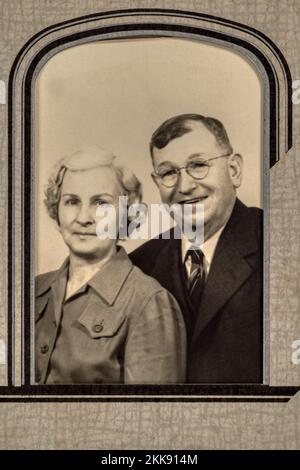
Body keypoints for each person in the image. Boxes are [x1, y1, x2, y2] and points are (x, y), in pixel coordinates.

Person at [35, 146, 186, 384]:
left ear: (127, 215)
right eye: (72, 201)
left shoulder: (149, 301)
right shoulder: (33, 290)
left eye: (101, 204)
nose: (83, 217)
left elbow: (151, 416)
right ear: (56, 210)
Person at [130, 114, 263, 383]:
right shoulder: (139, 265)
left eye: (198, 165)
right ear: (157, 183)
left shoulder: (283, 246)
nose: (185, 186)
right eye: (168, 173)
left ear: (234, 170)